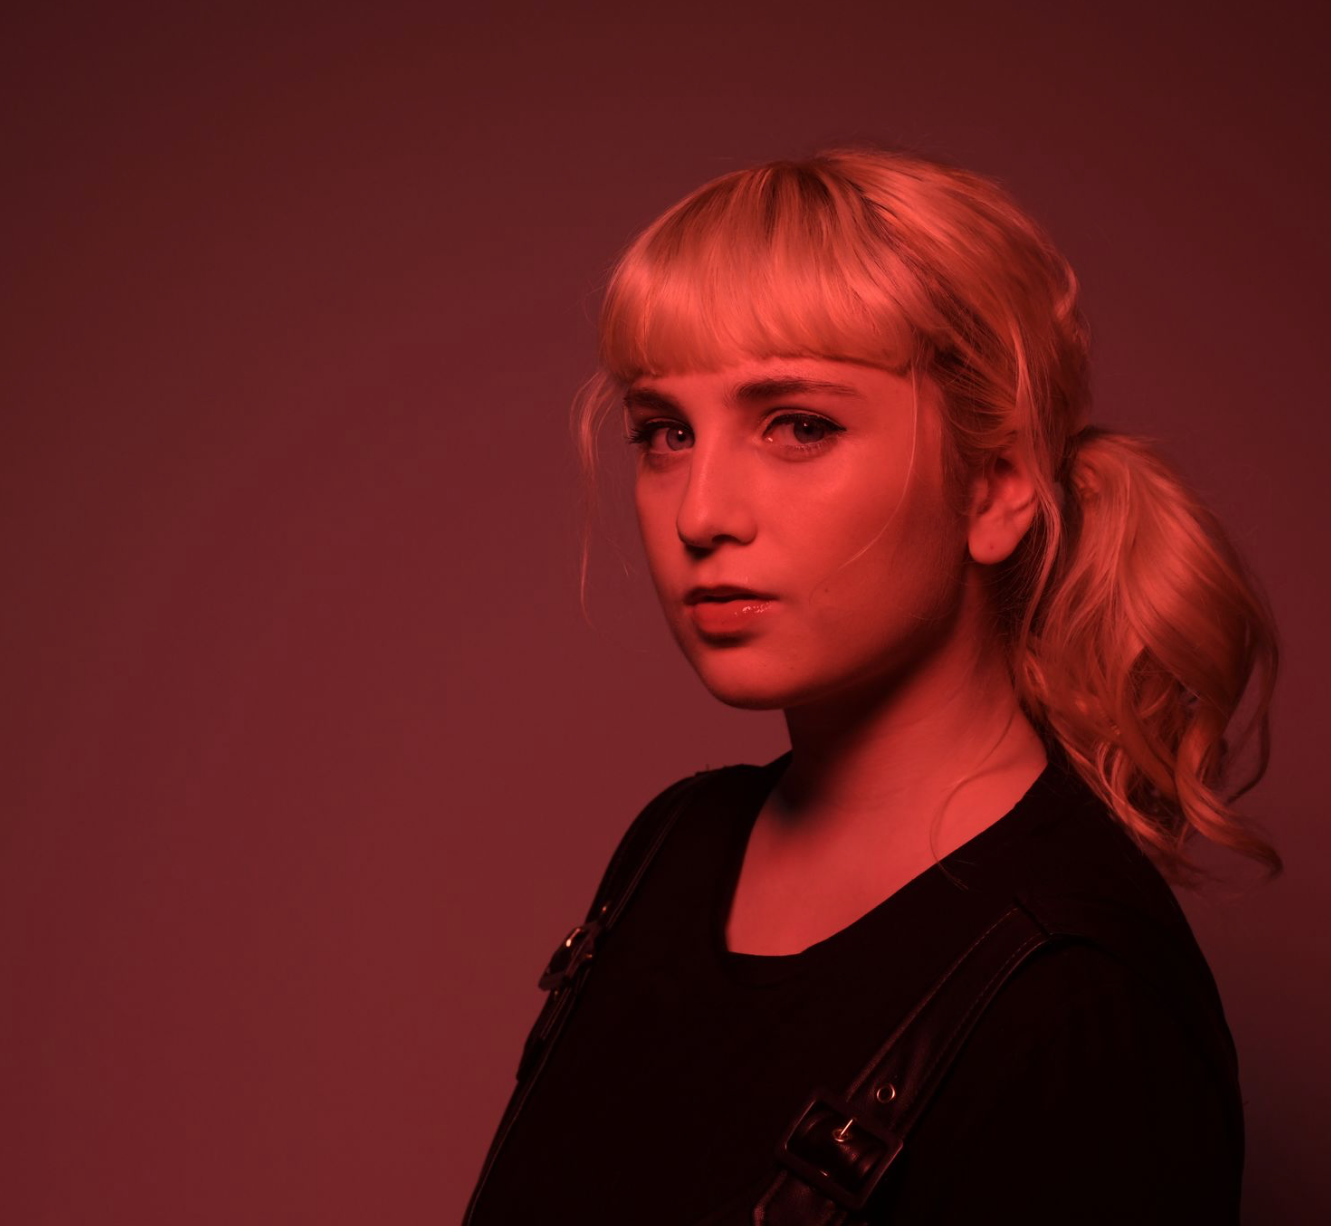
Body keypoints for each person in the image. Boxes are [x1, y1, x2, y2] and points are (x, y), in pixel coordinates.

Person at [462, 146, 1280, 1224]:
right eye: (665, 432)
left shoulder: (1081, 993)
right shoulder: (675, 847)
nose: (701, 512)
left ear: (995, 487)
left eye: (799, 425)